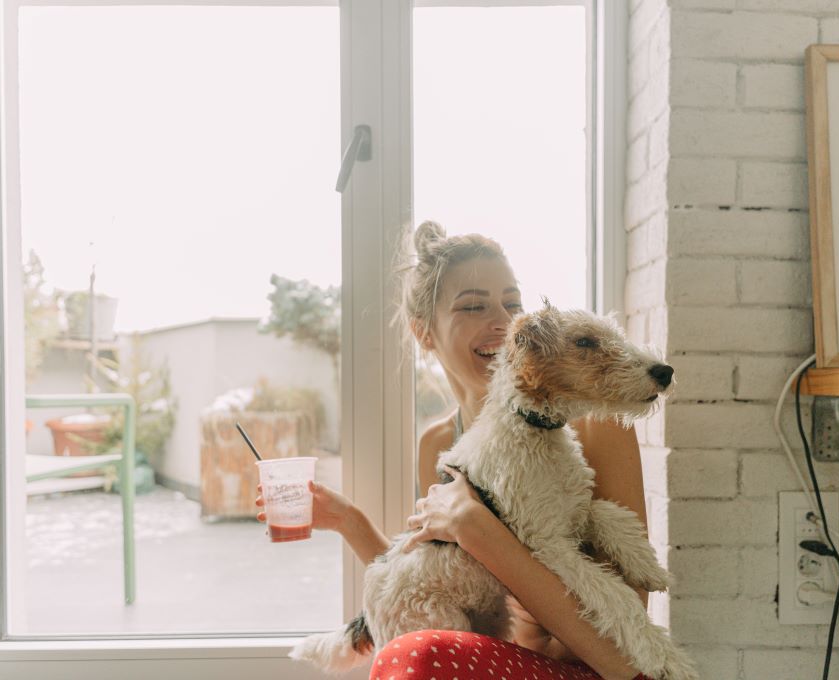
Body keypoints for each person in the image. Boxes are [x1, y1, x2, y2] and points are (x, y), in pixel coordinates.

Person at [258, 221, 653, 680]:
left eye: (512, 302)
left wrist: (475, 527)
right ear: (424, 332)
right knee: (414, 650)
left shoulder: (592, 424)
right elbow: (437, 581)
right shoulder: (440, 443)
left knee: (418, 656)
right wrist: (349, 521)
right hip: (487, 661)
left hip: (588, 671)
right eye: (473, 306)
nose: (504, 322)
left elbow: (629, 637)